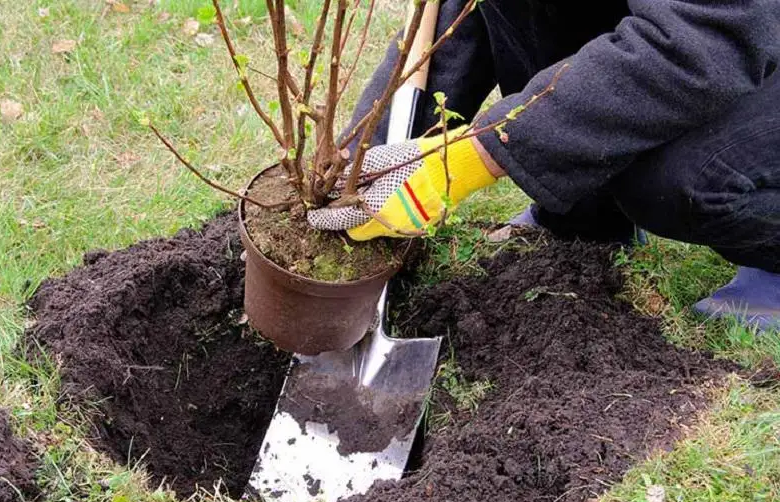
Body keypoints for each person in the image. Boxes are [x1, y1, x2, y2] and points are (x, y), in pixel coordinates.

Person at [307, 0, 780, 331]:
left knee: (673, 182)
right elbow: (462, 17)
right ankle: (588, 214)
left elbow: (707, 35)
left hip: (739, 28)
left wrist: (480, 153)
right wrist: (369, 157)